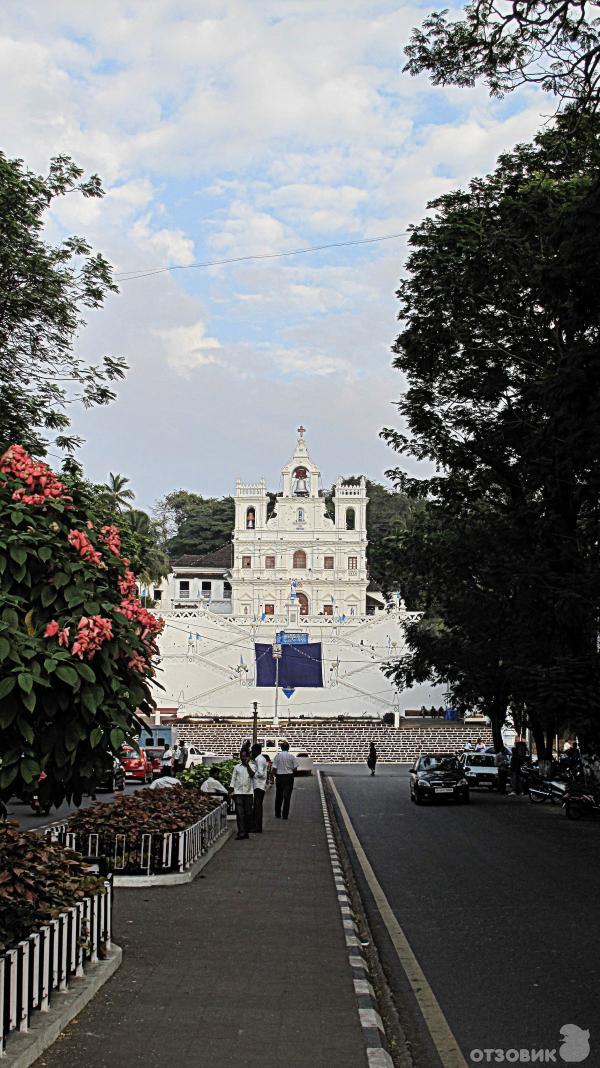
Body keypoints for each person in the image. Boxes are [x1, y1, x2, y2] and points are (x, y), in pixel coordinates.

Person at [229, 750, 256, 839]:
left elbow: (252, 775)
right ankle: (241, 832)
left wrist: (247, 765)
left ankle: (246, 831)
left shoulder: (252, 766)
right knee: (240, 813)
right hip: (239, 793)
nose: (243, 758)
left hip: (248, 793)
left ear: (248, 757)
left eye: (244, 756)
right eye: (241, 756)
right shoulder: (237, 767)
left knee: (248, 814)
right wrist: (231, 790)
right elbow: (233, 779)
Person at [272, 742, 298, 820]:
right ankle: (285, 815)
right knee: (287, 797)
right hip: (289, 777)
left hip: (279, 777)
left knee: (279, 795)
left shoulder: (277, 756)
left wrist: (274, 775)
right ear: (288, 748)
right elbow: (295, 768)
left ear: (281, 748)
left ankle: (278, 813)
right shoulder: (291, 757)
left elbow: (274, 768)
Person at [250, 742, 269, 832]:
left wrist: (253, 774)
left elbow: (260, 773)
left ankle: (257, 827)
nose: (251, 752)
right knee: (257, 807)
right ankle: (256, 826)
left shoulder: (259, 759)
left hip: (259, 785)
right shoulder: (260, 759)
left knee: (257, 807)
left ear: (256, 751)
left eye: (252, 750)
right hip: (259, 785)